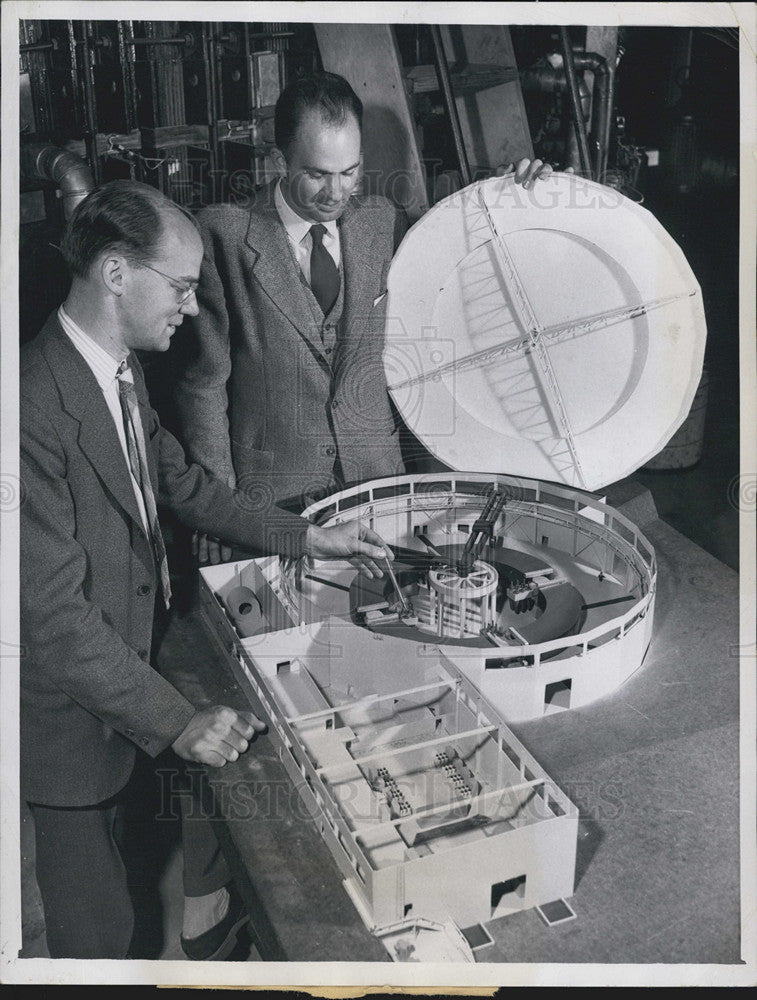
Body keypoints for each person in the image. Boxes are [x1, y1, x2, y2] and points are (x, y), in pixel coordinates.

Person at [19, 179, 392, 961]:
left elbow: (183, 486)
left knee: (142, 880)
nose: (191, 309)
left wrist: (305, 538)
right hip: (69, 717)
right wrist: (178, 721)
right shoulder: (26, 405)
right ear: (117, 274)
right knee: (96, 936)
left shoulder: (120, 374)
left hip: (135, 668)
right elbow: (51, 621)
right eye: (181, 288)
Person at [173, 71, 554, 564]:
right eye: (317, 174)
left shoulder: (383, 221)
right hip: (273, 501)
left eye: (349, 172)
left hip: (380, 486)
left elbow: (465, 263)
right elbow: (202, 387)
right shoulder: (222, 236)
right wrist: (224, 513)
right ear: (278, 161)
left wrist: (516, 196)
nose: (336, 192)